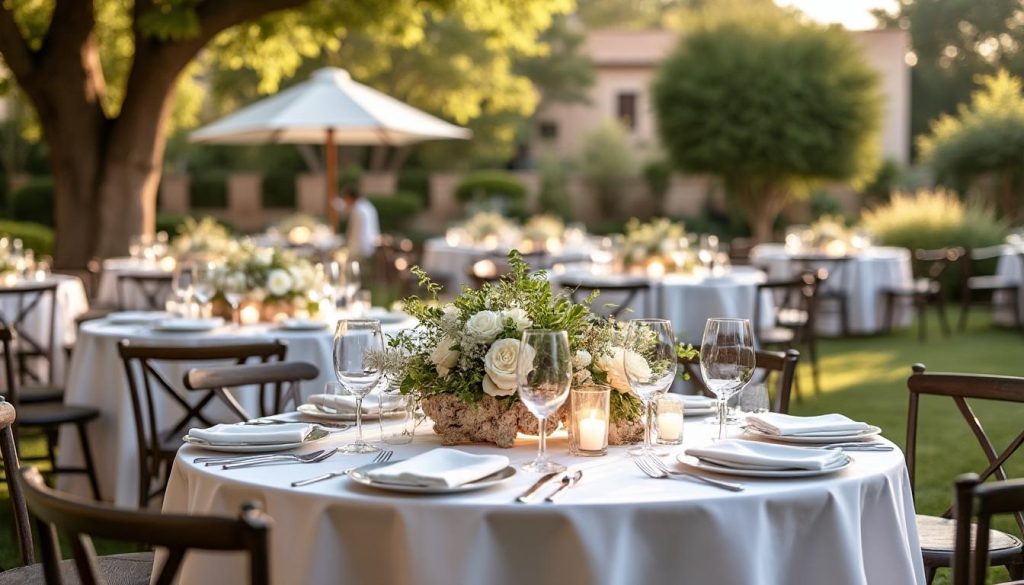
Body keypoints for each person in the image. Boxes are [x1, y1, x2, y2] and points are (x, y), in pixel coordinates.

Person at [337, 186, 380, 260]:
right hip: (370, 246)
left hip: (361, 249)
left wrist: (350, 252)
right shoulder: (367, 205)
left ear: (350, 197)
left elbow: (355, 234)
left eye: (346, 198)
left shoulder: (357, 210)